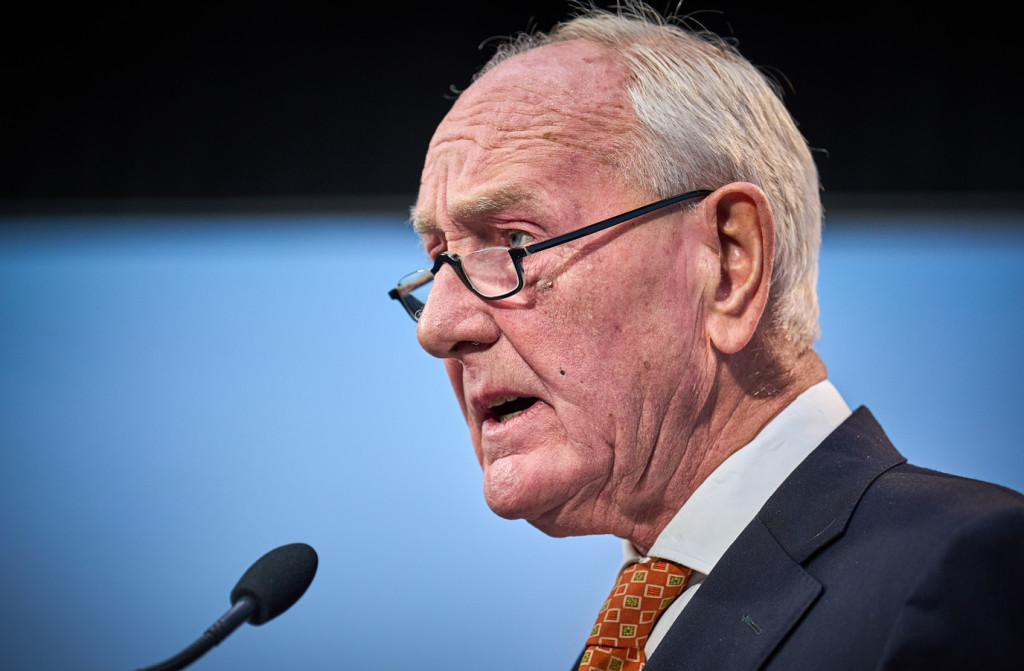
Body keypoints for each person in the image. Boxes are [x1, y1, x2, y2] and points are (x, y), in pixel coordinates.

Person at [387, 2, 1024, 669]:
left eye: (515, 242)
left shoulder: (965, 574)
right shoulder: (642, 622)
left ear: (727, 261)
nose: (439, 326)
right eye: (437, 262)